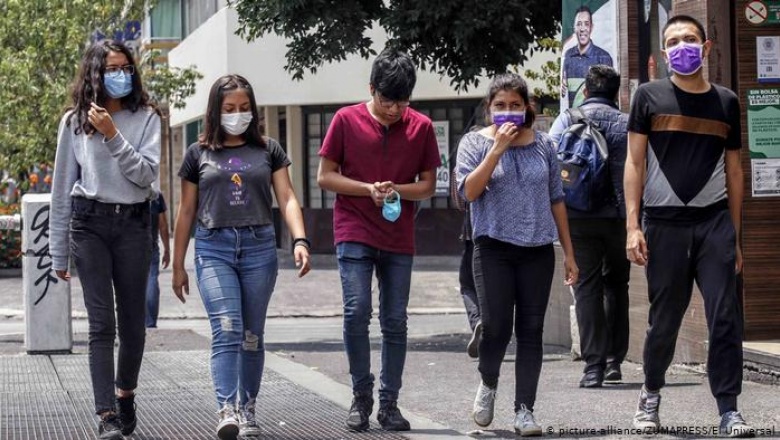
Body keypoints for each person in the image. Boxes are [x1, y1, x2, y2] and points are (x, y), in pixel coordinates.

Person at [625, 15, 753, 438]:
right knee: (665, 319)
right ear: (663, 53)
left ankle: (729, 409)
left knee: (725, 316)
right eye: (674, 41)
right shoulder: (648, 97)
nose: (683, 46)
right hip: (663, 224)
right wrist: (633, 225)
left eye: (690, 39)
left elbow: (735, 171)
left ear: (707, 46)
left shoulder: (727, 102)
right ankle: (650, 394)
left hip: (714, 221)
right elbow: (634, 162)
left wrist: (734, 234)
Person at [172, 74, 312, 440]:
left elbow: (287, 198)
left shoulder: (269, 150)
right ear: (216, 112)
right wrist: (177, 265)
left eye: (245, 108)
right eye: (230, 109)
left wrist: (300, 240)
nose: (238, 114)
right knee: (228, 328)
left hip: (259, 247)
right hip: (213, 247)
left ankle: (248, 407)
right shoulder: (197, 153)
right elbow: (185, 211)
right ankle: (227, 408)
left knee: (252, 334)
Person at [317, 49, 441, 432]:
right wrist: (366, 189)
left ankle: (389, 403)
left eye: (402, 102)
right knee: (357, 311)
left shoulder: (421, 127)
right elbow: (325, 176)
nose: (394, 110)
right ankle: (361, 395)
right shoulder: (345, 120)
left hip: (398, 235)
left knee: (395, 321)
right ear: (371, 89)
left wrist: (395, 191)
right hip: (353, 229)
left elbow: (427, 187)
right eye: (387, 100)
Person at [456, 73, 578, 436]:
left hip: (538, 250)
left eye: (514, 105)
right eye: (500, 106)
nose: (507, 112)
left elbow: (557, 200)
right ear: (489, 108)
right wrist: (496, 150)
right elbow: (469, 194)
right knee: (494, 327)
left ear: (527, 108)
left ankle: (525, 409)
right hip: (493, 248)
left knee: (531, 331)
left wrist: (569, 253)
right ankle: (488, 384)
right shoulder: (474, 144)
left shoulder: (544, 145)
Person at [49, 39, 160, 439]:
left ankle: (125, 392)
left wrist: (112, 135)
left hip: (133, 223)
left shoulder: (147, 117)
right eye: (112, 68)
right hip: (89, 224)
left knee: (134, 325)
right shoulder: (73, 122)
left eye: (126, 68)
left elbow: (146, 176)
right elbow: (63, 189)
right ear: (95, 73)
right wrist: (57, 251)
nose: (121, 75)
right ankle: (106, 415)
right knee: (101, 324)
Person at [549, 64, 630, 388]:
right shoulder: (626, 123)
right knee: (617, 286)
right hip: (620, 218)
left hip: (578, 215)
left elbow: (551, 159)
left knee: (586, 288)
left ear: (586, 90)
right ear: (616, 92)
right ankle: (614, 361)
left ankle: (592, 367)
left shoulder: (568, 118)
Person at [561, 5, 614, 108]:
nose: (582, 29)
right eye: (579, 24)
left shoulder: (604, 57)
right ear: (574, 28)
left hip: (597, 120)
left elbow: (609, 95)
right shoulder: (568, 56)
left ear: (591, 27)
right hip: (575, 120)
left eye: (586, 24)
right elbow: (564, 92)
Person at [145, 190, 170, 328]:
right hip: (151, 245)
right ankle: (150, 322)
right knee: (151, 280)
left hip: (129, 245)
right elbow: (163, 225)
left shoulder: (129, 192)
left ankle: (133, 321)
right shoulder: (155, 195)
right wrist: (167, 249)